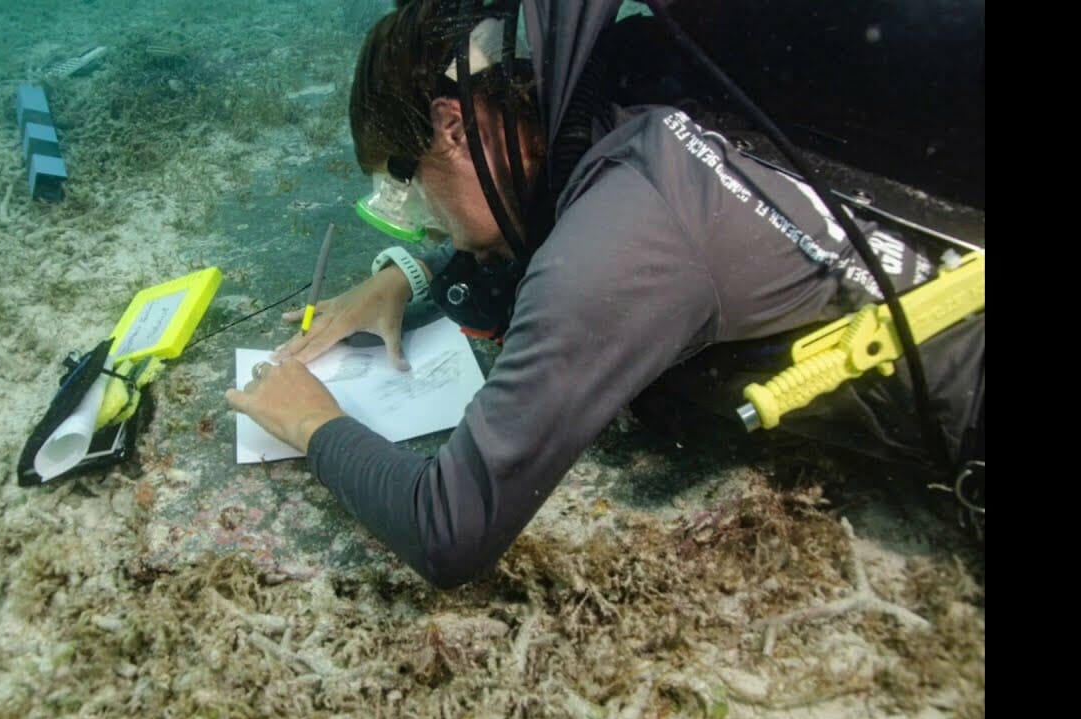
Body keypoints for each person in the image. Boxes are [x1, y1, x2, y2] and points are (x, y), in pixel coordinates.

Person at [225, 0, 985, 588]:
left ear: (452, 129)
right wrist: (408, 274)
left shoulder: (616, 247)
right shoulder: (620, 72)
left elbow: (447, 530)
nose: (435, 228)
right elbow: (527, 214)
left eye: (414, 199)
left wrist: (313, 423)